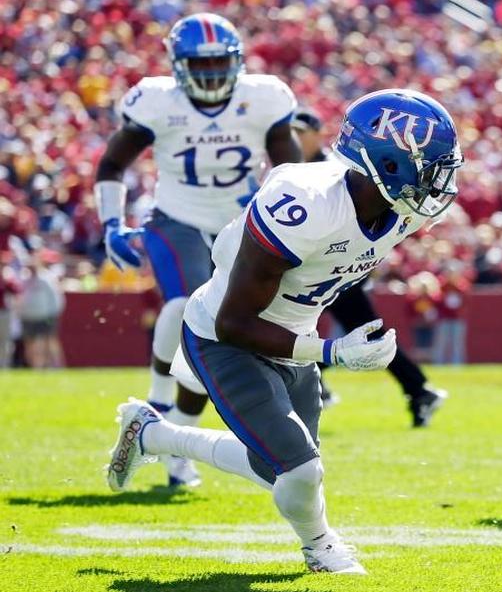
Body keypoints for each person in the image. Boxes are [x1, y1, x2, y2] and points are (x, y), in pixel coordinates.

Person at [105, 89, 462, 574]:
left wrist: (318, 346)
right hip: (223, 337)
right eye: (429, 167)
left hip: (292, 337)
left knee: (274, 466)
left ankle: (152, 434)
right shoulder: (306, 204)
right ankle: (321, 545)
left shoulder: (396, 212)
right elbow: (235, 322)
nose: (440, 183)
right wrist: (331, 352)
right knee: (300, 468)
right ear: (388, 164)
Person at [94, 13, 301, 486]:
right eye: (198, 65)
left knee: (216, 336)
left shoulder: (263, 97)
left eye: (217, 64)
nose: (209, 75)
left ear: (238, 63)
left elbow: (294, 172)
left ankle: (174, 441)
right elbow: (112, 163)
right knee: (184, 303)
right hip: (177, 216)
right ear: (178, 66)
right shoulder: (157, 101)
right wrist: (111, 223)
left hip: (242, 224)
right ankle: (158, 401)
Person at [291, 109, 447, 426]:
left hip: (339, 268)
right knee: (355, 335)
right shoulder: (294, 167)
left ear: (316, 134)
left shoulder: (334, 167)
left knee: (364, 337)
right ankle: (417, 390)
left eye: (300, 131)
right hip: (317, 266)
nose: (294, 138)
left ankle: (417, 390)